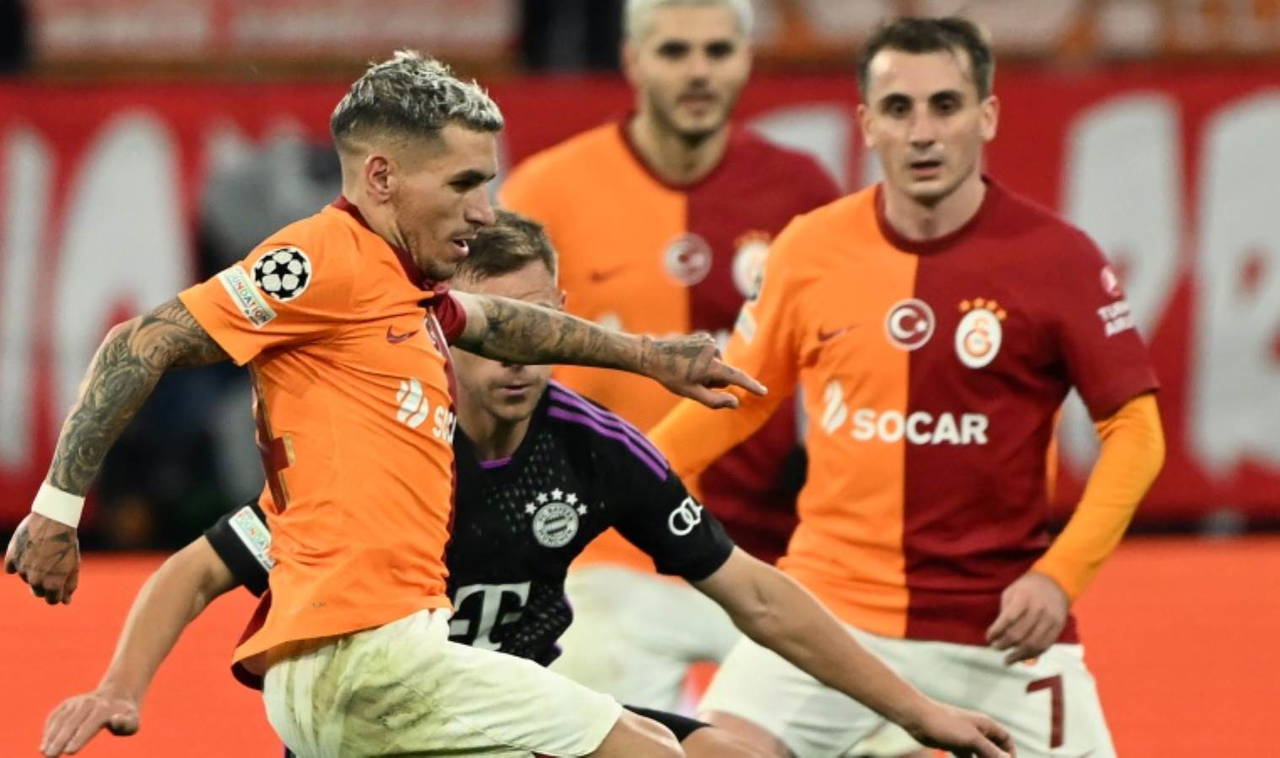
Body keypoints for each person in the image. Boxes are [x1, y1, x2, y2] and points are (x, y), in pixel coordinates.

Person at [6, 51, 768, 758]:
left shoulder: (406, 290)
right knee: (649, 750)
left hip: (368, 669)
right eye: (462, 185)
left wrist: (648, 357)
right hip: (368, 658)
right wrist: (56, 512)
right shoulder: (322, 260)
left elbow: (504, 322)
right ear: (381, 178)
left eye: (486, 184)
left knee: (657, 739)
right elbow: (140, 342)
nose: (483, 211)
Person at [38, 211, 1014, 758]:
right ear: (448, 332)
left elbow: (754, 594)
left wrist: (919, 712)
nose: (516, 357)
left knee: (732, 754)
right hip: (384, 726)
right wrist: (120, 687)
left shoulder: (595, 450)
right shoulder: (383, 447)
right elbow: (198, 569)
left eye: (537, 325)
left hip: (516, 717)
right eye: (493, 331)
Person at [649, 16, 1166, 758]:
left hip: (997, 628)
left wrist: (1058, 578)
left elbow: (1136, 432)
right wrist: (624, 475)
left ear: (987, 115)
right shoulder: (810, 248)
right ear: (867, 125)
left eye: (945, 106)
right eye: (898, 109)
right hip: (828, 614)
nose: (922, 132)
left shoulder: (1060, 260)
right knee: (715, 754)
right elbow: (742, 398)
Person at [499, 0, 840, 712]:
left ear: (746, 60)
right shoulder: (546, 192)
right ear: (632, 60)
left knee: (886, 737)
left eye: (718, 51)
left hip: (773, 554)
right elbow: (487, 363)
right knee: (613, 738)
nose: (698, 72)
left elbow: (849, 366)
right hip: (604, 555)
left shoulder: (803, 192)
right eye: (675, 51)